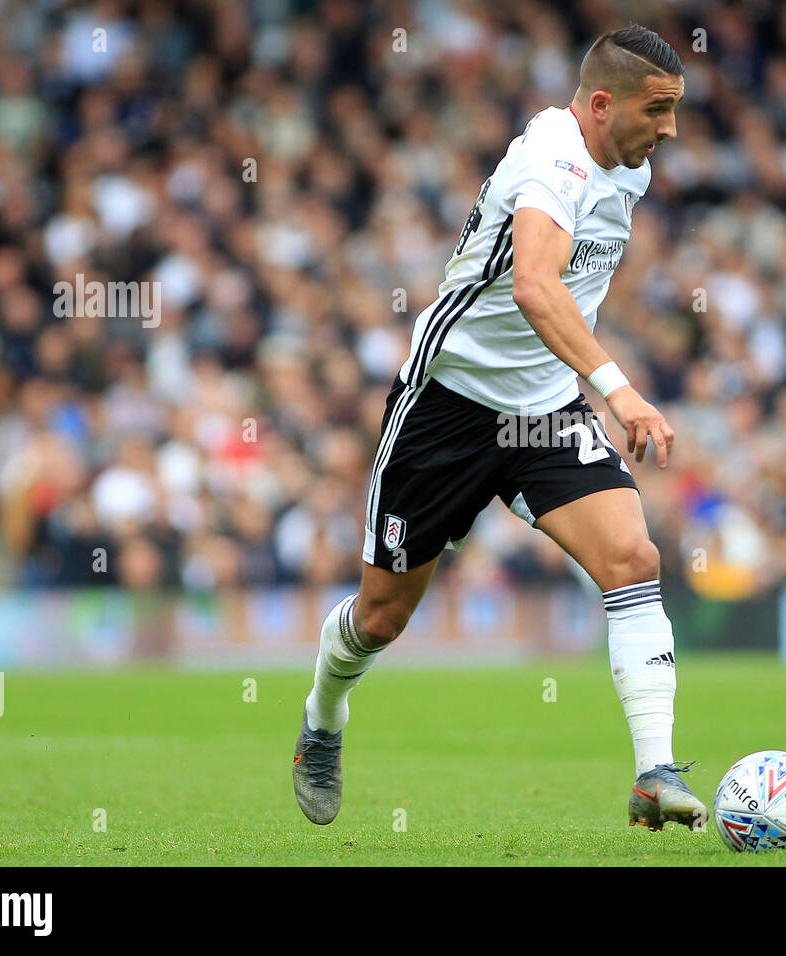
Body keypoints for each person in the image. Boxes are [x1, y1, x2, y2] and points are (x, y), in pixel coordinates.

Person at [293, 24, 705, 832]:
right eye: (657, 111)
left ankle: (654, 771)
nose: (670, 131)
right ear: (598, 103)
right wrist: (621, 392)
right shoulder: (553, 150)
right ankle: (323, 720)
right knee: (382, 617)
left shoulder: (634, 169)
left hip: (544, 412)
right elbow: (535, 288)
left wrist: (584, 389)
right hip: (445, 408)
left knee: (632, 556)